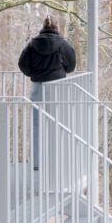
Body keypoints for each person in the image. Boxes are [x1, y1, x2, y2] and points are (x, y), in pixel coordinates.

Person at [18, 16, 76, 170]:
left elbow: (22, 64)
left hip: (38, 87)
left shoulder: (32, 44)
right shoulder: (63, 44)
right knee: (58, 125)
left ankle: (37, 163)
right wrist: (61, 70)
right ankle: (56, 161)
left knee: (37, 126)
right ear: (57, 27)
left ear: (43, 27)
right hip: (57, 88)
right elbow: (71, 65)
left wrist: (33, 73)